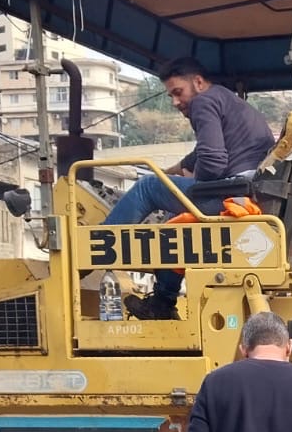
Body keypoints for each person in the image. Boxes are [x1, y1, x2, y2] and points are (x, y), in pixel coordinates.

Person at [106, 57, 276, 321]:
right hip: (248, 195)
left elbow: (213, 160)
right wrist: (177, 169)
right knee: (173, 225)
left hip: (230, 195)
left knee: (147, 188)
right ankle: (163, 301)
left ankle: (94, 247)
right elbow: (205, 150)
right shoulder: (226, 100)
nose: (175, 102)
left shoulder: (203, 102)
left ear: (197, 82)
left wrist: (196, 179)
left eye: (178, 92)